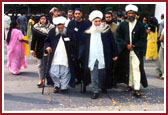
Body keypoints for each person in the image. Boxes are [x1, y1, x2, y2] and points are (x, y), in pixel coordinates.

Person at [115, 4, 148, 98]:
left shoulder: (140, 26)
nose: (130, 15)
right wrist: (126, 45)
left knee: (136, 68)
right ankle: (129, 85)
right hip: (125, 50)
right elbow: (118, 37)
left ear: (135, 14)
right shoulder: (123, 25)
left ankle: (137, 88)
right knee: (128, 68)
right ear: (127, 14)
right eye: (129, 13)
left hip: (136, 51)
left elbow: (143, 39)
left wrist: (135, 45)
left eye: (132, 13)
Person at [83, 10, 118, 99]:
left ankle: (103, 86)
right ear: (92, 21)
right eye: (96, 21)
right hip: (92, 56)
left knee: (103, 73)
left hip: (103, 56)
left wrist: (115, 53)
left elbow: (112, 42)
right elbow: (83, 44)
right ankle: (95, 91)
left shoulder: (106, 30)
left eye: (99, 21)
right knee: (93, 74)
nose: (98, 23)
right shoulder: (88, 31)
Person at [44, 16, 76, 93]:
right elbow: (46, 41)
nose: (60, 29)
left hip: (66, 56)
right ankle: (56, 85)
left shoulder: (69, 31)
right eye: (59, 28)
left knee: (65, 72)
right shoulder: (52, 31)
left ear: (64, 25)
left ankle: (64, 87)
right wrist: (48, 47)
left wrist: (73, 54)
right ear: (56, 26)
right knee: (53, 72)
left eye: (62, 27)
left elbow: (74, 43)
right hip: (55, 56)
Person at [67, 8, 91, 85]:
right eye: (76, 13)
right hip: (74, 46)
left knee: (84, 64)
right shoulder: (71, 23)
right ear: (74, 14)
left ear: (81, 14)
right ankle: (78, 78)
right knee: (75, 64)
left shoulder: (86, 23)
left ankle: (84, 79)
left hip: (84, 46)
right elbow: (68, 34)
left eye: (79, 13)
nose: (77, 15)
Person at [30, 15, 54, 87]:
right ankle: (41, 79)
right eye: (42, 19)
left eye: (44, 19)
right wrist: (32, 49)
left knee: (48, 64)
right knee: (40, 65)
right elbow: (33, 39)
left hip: (49, 48)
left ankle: (50, 79)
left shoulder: (52, 27)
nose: (43, 20)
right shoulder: (36, 27)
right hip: (39, 48)